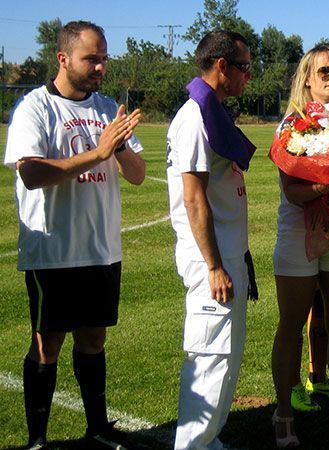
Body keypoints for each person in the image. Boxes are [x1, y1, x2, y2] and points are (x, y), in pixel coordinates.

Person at [4, 20, 144, 450]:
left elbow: (137, 175)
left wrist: (117, 147)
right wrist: (97, 152)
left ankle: (97, 428)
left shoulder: (106, 109)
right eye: (91, 58)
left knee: (93, 339)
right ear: (63, 58)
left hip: (101, 248)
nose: (100, 66)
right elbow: (30, 172)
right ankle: (38, 439)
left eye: (103, 58)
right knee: (47, 345)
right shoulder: (35, 107)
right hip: (53, 250)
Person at [166, 30, 256, 450]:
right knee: (210, 361)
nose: (248, 77)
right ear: (221, 65)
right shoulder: (195, 117)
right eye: (244, 68)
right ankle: (192, 445)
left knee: (227, 361)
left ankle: (209, 441)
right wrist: (215, 266)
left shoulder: (213, 111)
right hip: (211, 263)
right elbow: (193, 198)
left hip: (227, 255)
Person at [271, 44, 329, 448]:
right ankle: (283, 413)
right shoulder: (291, 125)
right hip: (297, 232)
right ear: (307, 77)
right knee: (292, 325)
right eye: (324, 71)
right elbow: (293, 192)